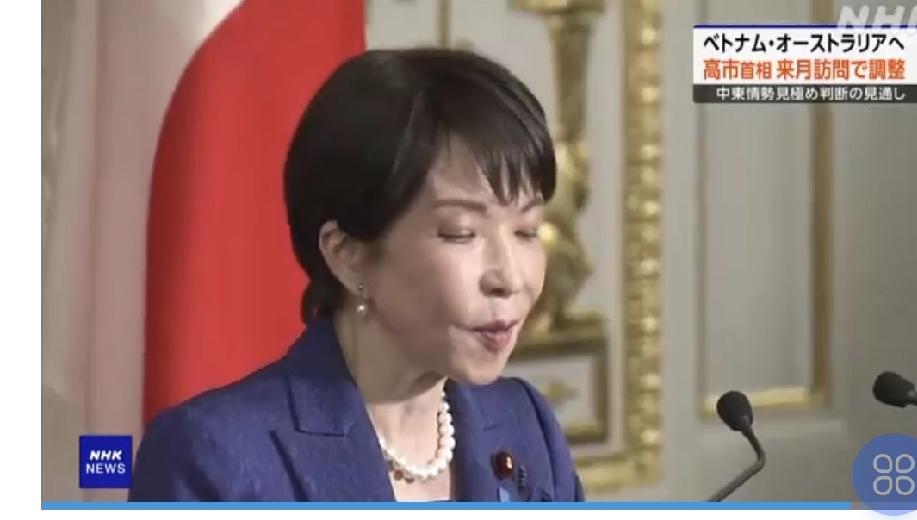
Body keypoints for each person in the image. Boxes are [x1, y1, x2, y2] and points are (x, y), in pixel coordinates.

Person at [128, 48, 584, 502]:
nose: (510, 277)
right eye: (461, 233)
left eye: (527, 230)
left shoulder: (525, 423)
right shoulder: (213, 457)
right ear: (349, 256)